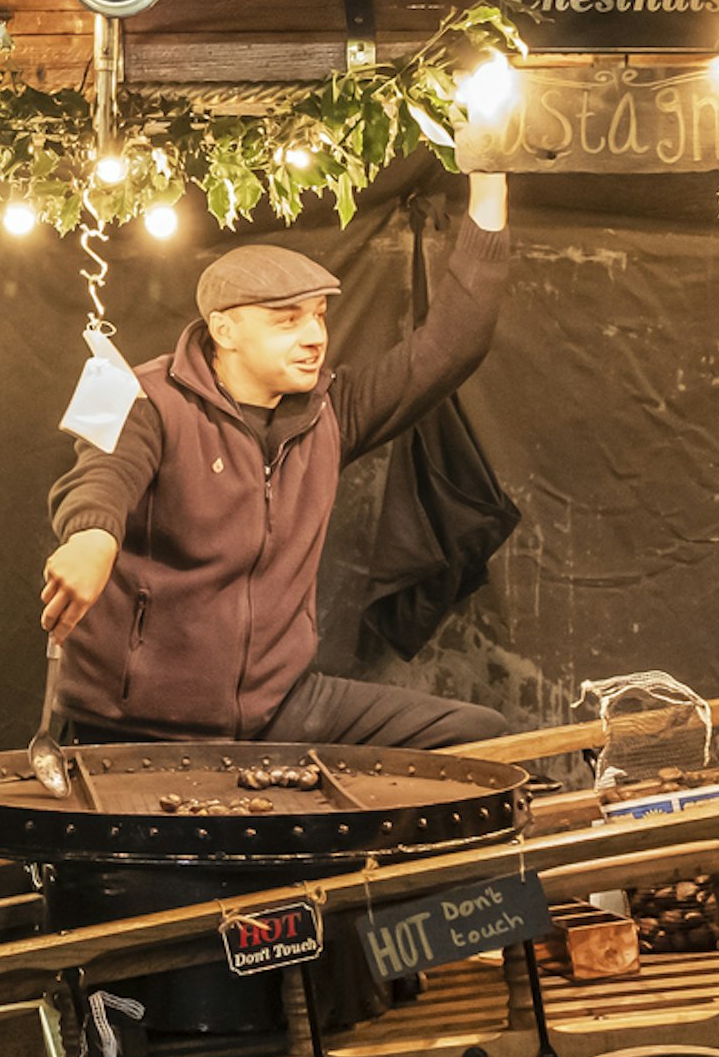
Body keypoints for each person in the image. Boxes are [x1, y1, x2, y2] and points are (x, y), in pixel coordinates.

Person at [38, 171, 514, 750]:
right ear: (224, 329)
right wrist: (93, 539)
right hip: (137, 725)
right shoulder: (140, 395)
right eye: (288, 320)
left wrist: (489, 185)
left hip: (277, 707)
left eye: (318, 315)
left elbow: (453, 344)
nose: (315, 336)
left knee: (475, 738)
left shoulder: (331, 410)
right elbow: (103, 473)